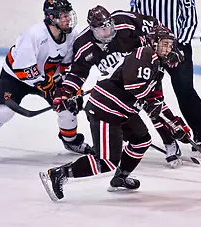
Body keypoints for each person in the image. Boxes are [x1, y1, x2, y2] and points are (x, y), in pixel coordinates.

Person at [39, 25, 190, 201]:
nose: (168, 49)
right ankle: (59, 174)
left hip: (122, 111)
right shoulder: (144, 54)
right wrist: (148, 103)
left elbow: (158, 102)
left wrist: (176, 124)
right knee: (106, 160)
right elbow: (133, 85)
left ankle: (121, 177)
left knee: (141, 141)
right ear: (154, 42)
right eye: (164, 44)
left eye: (170, 45)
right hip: (105, 110)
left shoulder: (157, 68)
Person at [52, 5, 187, 168]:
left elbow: (156, 27)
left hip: (144, 66)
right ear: (92, 29)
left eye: (110, 26)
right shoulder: (83, 44)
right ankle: (120, 142)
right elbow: (77, 73)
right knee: (129, 108)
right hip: (118, 84)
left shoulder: (124, 22)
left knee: (154, 104)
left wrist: (169, 49)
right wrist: (66, 93)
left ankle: (170, 142)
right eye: (102, 30)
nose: (108, 32)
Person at [0, 0, 92, 154]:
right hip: (15, 78)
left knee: (68, 104)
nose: (67, 19)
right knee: (5, 112)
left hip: (47, 79)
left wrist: (68, 88)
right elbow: (22, 68)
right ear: (51, 17)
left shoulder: (71, 36)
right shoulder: (34, 35)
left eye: (68, 14)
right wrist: (44, 83)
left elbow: (67, 66)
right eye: (62, 15)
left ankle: (70, 141)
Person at [130, 0, 201, 154]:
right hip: (148, 48)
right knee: (146, 93)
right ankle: (163, 139)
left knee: (185, 90)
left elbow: (190, 17)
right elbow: (134, 15)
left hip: (174, 47)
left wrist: (179, 44)